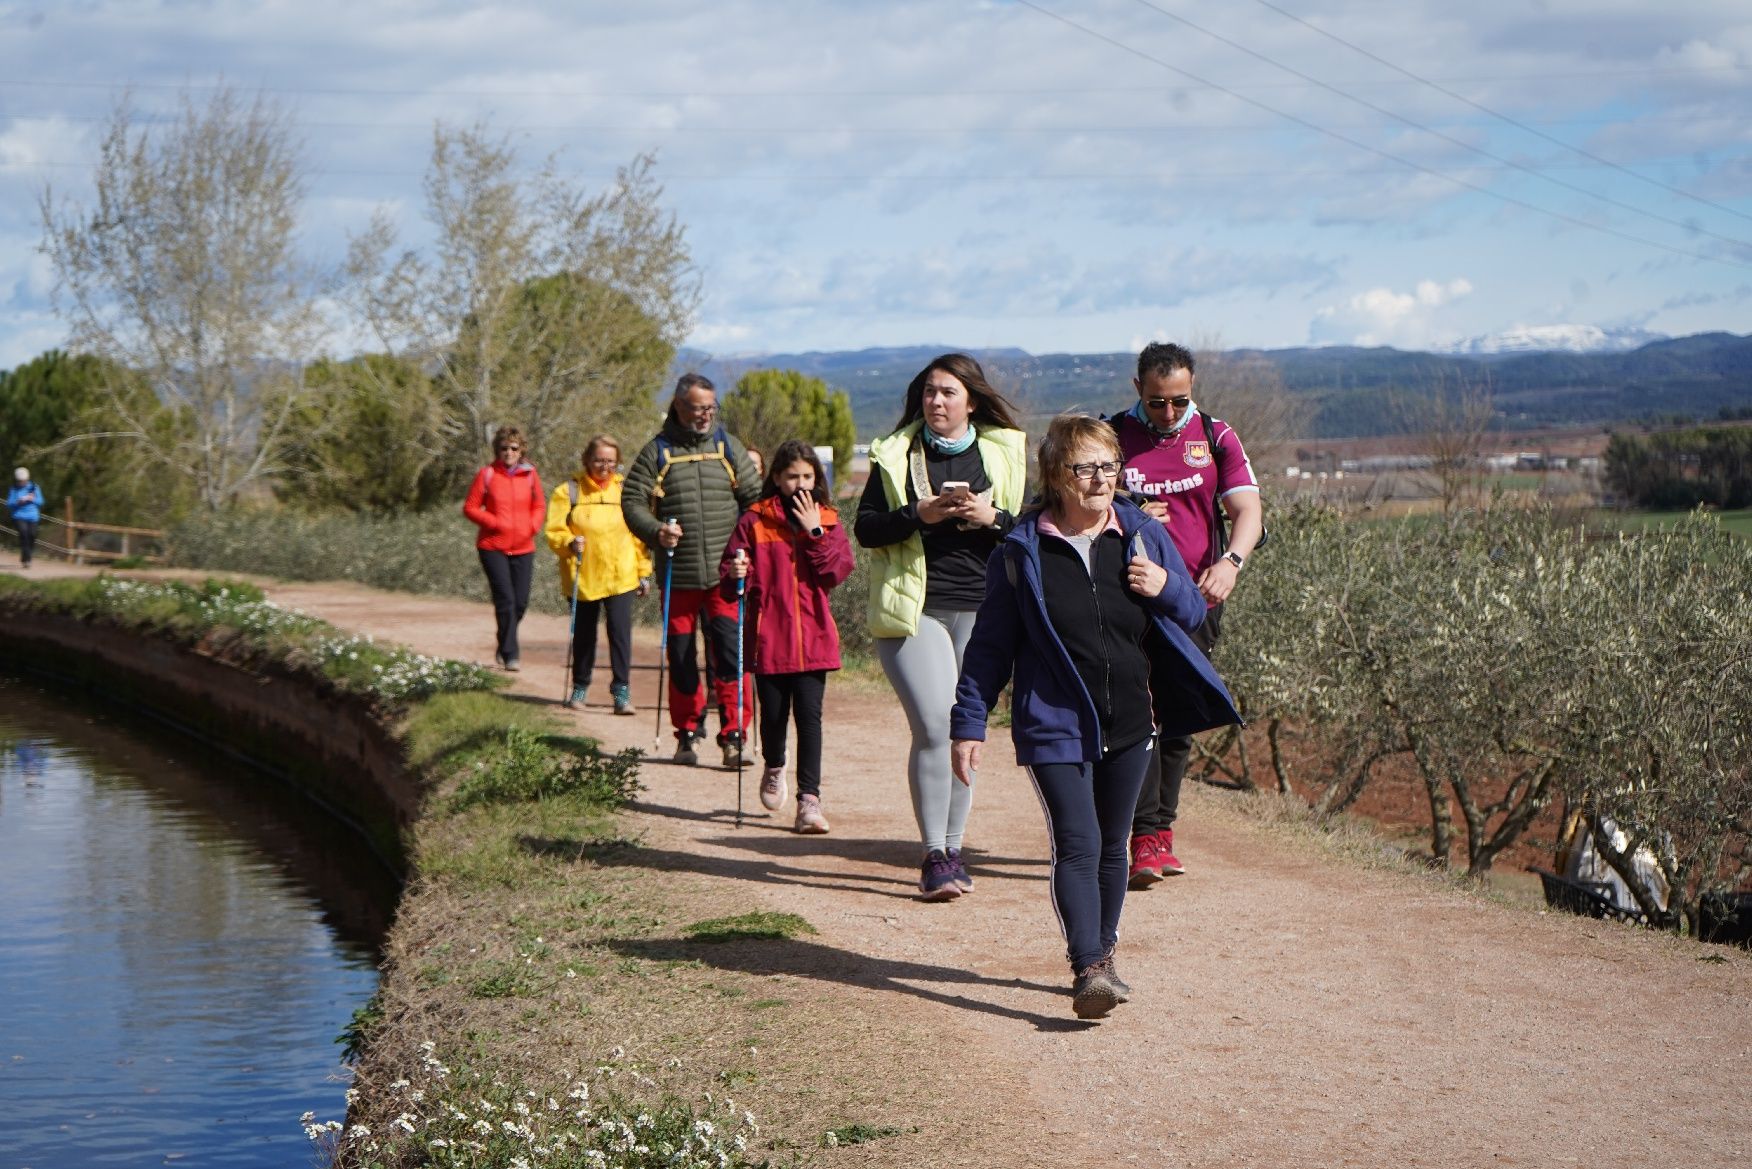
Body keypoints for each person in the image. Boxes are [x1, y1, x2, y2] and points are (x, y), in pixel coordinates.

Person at [949, 414, 1240, 1018]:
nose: (1101, 479)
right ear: (1057, 476)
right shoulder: (1021, 551)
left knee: (1114, 845)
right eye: (1086, 467)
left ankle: (1102, 957)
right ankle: (1088, 964)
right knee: (1078, 843)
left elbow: (1189, 611)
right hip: (1052, 720)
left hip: (1132, 719)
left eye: (1110, 466)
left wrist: (1162, 584)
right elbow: (990, 647)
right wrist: (968, 721)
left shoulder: (1139, 535)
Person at [854, 353, 1027, 901]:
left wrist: (990, 518)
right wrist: (919, 515)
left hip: (985, 611)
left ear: (971, 400)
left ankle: (955, 850)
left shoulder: (1004, 453)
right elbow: (866, 529)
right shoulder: (897, 454)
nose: (937, 401)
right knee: (934, 725)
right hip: (915, 611)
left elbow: (1030, 530)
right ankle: (933, 855)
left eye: (949, 392)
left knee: (962, 732)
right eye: (930, 392)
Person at [1111, 341, 1263, 887]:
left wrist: (1232, 561)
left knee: (1179, 714)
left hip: (1195, 598)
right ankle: (1143, 834)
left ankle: (1160, 832)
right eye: (1156, 402)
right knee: (1140, 713)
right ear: (1138, 391)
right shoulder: (1113, 435)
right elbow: (1074, 500)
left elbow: (1247, 509)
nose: (1169, 413)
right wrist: (1124, 511)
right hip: (1127, 596)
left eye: (1179, 400)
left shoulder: (1216, 435)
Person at [622, 373, 762, 767]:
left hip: (725, 578)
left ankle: (734, 736)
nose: (705, 415)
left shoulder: (727, 448)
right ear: (679, 405)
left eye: (710, 407)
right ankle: (687, 734)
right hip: (677, 577)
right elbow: (632, 501)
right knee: (682, 658)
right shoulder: (658, 452)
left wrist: (747, 552)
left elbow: (755, 503)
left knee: (732, 656)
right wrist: (655, 532)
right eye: (698, 407)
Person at [720, 440, 856, 833]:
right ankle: (775, 765)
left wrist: (815, 532)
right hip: (769, 639)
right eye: (792, 476)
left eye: (808, 476)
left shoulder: (827, 519)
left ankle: (809, 802)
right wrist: (735, 574)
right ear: (776, 478)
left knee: (810, 720)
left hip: (814, 638)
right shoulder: (754, 521)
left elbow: (834, 573)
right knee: (775, 718)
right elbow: (730, 581)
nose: (800, 484)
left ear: (818, 479)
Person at [545, 435, 652, 714]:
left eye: (610, 461)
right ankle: (580, 687)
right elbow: (554, 531)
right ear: (586, 460)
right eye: (598, 460)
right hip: (583, 576)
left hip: (621, 575)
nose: (605, 467)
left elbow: (638, 537)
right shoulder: (568, 491)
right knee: (584, 635)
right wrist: (569, 542)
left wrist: (643, 572)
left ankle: (621, 692)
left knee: (620, 634)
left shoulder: (627, 492)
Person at [463, 427, 546, 671]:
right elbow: (471, 507)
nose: (508, 452)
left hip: (523, 546)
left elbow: (540, 505)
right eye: (504, 448)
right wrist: (495, 523)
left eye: (513, 448)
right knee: (506, 601)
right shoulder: (487, 475)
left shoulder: (530, 476)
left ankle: (503, 640)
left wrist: (532, 526)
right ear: (497, 450)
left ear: (521, 451)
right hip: (492, 546)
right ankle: (510, 654)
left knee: (520, 603)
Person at [8, 468, 41, 569]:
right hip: (19, 516)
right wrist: (18, 502)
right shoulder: (13, 489)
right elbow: (9, 503)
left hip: (33, 516)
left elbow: (40, 502)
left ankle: (25, 556)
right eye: (20, 481)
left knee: (32, 535)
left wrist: (32, 499)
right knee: (24, 534)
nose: (22, 482)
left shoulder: (34, 488)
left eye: (24, 480)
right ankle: (27, 559)